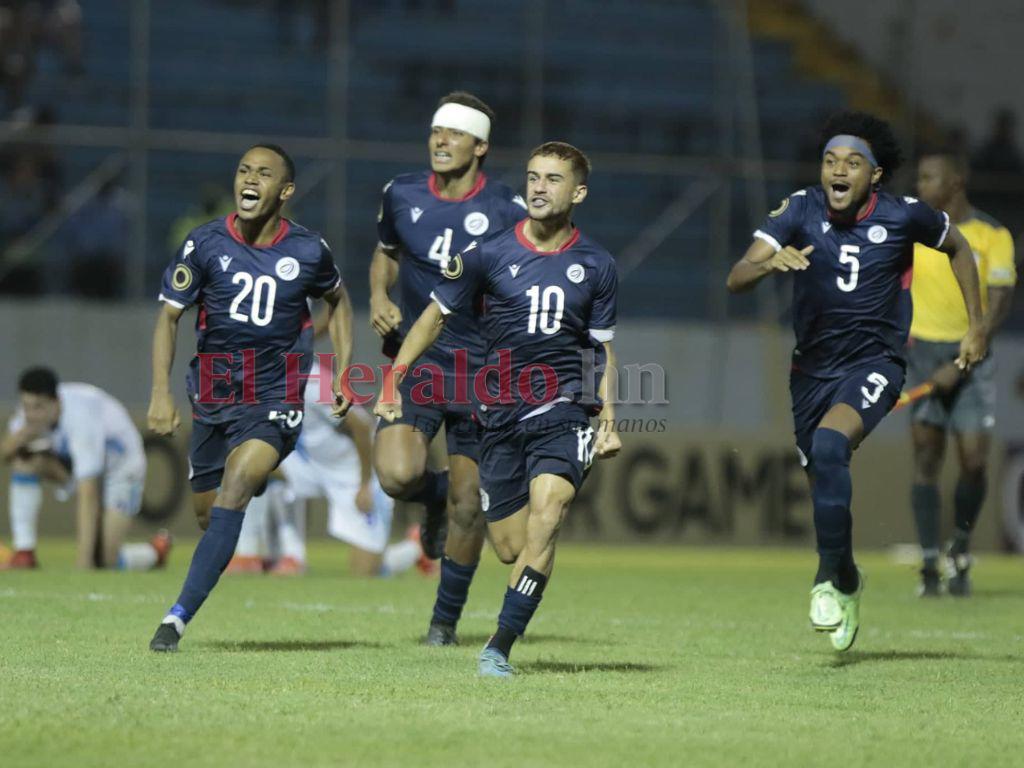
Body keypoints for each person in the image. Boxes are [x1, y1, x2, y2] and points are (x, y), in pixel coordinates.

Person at [726, 112, 987, 652]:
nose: (837, 171)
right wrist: (770, 263)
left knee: (830, 445)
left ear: (876, 175)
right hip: (810, 373)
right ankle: (846, 578)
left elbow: (959, 247)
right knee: (824, 479)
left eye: (852, 163)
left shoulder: (904, 215)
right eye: (829, 161)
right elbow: (736, 276)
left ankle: (825, 581)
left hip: (876, 363)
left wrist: (976, 326)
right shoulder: (798, 209)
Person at [375, 141, 621, 677]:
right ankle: (500, 609)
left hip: (562, 407)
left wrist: (607, 419)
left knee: (548, 513)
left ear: (577, 192)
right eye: (533, 177)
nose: (538, 187)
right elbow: (433, 317)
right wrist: (394, 376)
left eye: (553, 179)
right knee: (511, 547)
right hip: (499, 412)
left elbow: (601, 351)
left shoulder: (597, 265)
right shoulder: (488, 253)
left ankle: (499, 646)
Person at [146, 144, 353, 652]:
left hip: (276, 393)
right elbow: (169, 316)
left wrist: (345, 373)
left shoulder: (308, 250)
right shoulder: (204, 244)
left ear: (284, 192)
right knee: (207, 513)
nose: (249, 179)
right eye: (243, 170)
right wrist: (159, 393)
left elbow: (340, 301)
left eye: (264, 173)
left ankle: (175, 619)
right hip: (213, 394)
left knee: (237, 486)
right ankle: (255, 481)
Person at [368, 91, 526, 645]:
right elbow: (386, 252)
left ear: (481, 146)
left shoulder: (510, 210)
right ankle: (428, 497)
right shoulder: (402, 193)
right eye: (436, 130)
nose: (441, 140)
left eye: (455, 133)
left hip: (484, 369)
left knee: (469, 504)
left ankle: (443, 625)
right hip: (420, 360)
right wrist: (377, 295)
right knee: (397, 475)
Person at [908, 148, 1016, 596]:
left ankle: (960, 546)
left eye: (928, 177)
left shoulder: (992, 234)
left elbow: (1000, 300)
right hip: (921, 350)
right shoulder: (914, 230)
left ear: (955, 182)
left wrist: (964, 356)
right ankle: (930, 561)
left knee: (973, 462)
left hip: (972, 352)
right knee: (927, 456)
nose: (919, 186)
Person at [228, 360, 430, 578]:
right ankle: (286, 555)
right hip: (309, 465)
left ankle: (416, 547)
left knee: (366, 573)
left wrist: (365, 484)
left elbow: (362, 427)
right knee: (250, 464)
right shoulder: (264, 380)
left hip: (351, 473)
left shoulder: (314, 381)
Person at [1, 367, 170, 571]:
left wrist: (84, 563)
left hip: (121, 468)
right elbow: (5, 456)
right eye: (26, 406)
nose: (31, 414)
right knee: (25, 463)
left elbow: (87, 493)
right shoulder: (29, 415)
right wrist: (19, 438)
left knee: (106, 560)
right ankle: (24, 553)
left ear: (56, 402)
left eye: (37, 407)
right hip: (76, 464)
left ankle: (155, 551)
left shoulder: (80, 418)